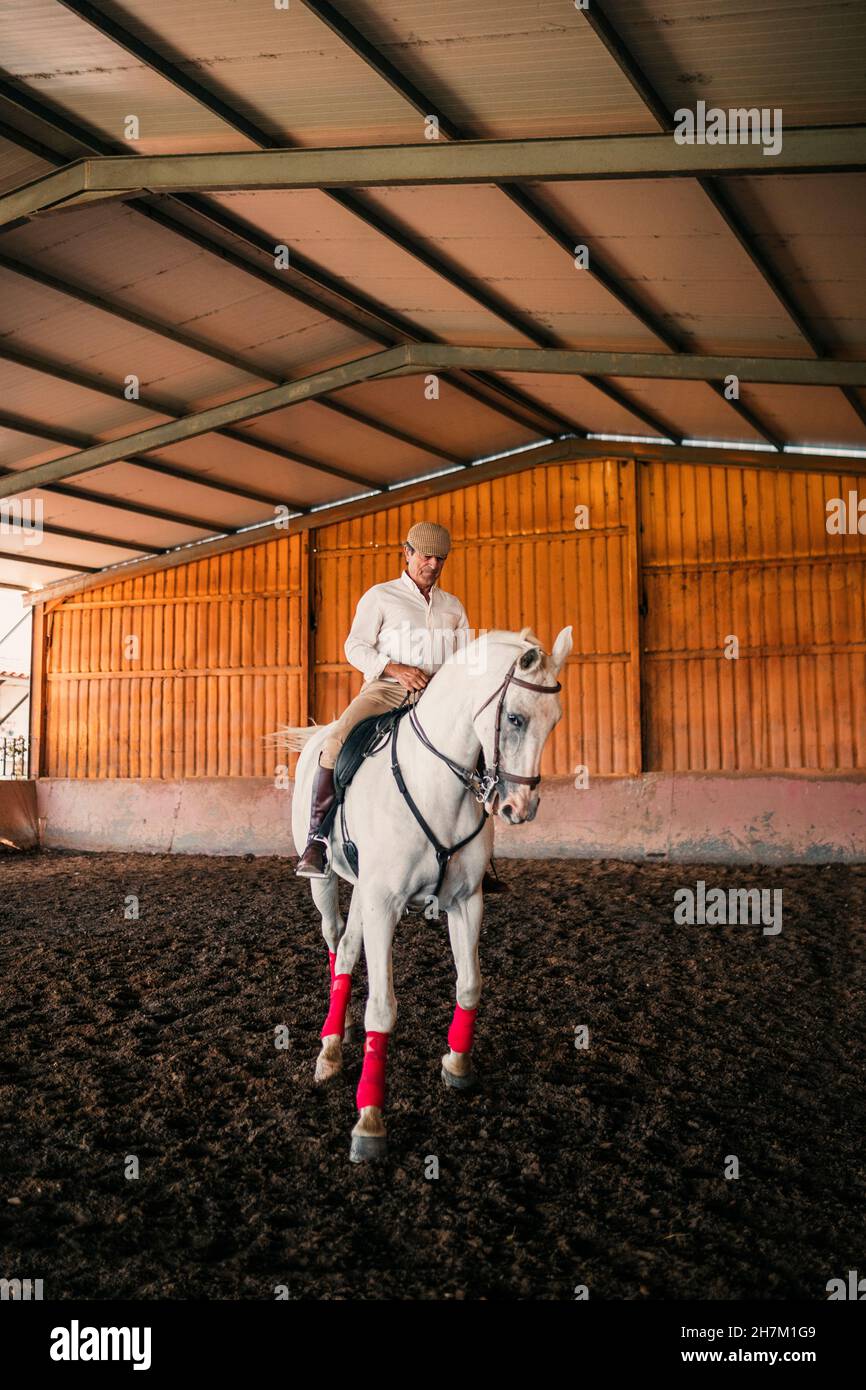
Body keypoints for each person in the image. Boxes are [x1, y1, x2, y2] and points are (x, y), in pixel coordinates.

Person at [295, 519, 506, 892]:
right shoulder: (380, 596)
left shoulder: (452, 606)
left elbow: (461, 660)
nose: (434, 565)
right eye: (426, 556)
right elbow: (354, 646)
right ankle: (319, 839)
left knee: (478, 752)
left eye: (440, 558)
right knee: (336, 741)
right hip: (386, 689)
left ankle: (480, 858)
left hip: (436, 696)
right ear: (406, 553)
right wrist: (395, 668)